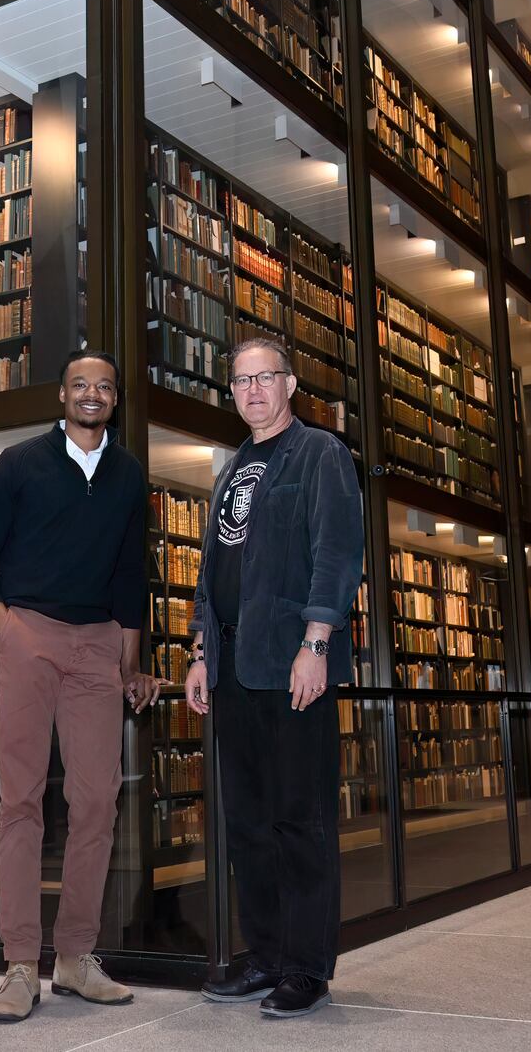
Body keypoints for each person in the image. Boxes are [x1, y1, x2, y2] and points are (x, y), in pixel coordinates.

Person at [0, 349, 165, 1024]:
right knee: (20, 799)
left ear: (113, 400)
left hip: (99, 644)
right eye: (81, 383)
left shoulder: (129, 473)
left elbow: (132, 574)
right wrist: (7, 629)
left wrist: (129, 662)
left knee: (97, 801)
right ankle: (20, 963)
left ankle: (75, 956)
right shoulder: (20, 462)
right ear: (62, 394)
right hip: (30, 634)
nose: (93, 393)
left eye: (105, 385)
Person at [183, 336, 365, 1019]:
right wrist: (201, 654)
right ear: (231, 392)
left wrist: (316, 641)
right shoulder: (231, 471)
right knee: (249, 823)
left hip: (294, 666)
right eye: (241, 380)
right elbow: (212, 576)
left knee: (300, 818)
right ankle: (264, 955)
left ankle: (307, 967)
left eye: (266, 376)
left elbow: (337, 552)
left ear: (290, 384)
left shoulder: (319, 453)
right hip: (235, 670)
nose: (253, 389)